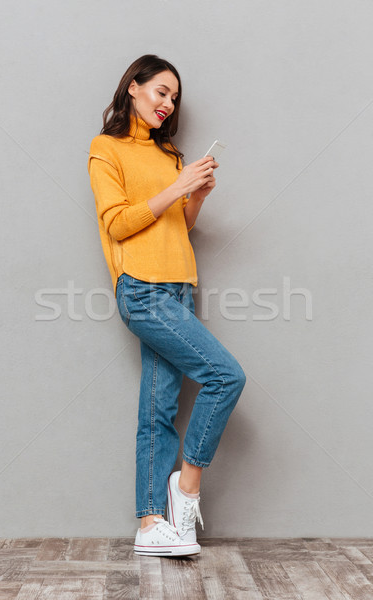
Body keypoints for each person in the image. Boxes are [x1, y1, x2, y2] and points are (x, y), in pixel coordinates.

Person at [87, 54, 246, 557]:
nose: (167, 103)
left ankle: (151, 524)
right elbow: (116, 223)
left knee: (158, 408)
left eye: (173, 97)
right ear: (133, 88)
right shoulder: (105, 148)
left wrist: (194, 194)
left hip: (179, 289)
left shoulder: (169, 155)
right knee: (226, 376)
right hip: (141, 289)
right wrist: (176, 187)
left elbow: (182, 226)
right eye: (161, 91)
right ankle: (187, 487)